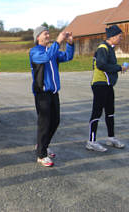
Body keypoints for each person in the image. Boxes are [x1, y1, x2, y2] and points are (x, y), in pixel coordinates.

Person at [29, 26, 74, 167]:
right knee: (44, 123)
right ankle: (41, 155)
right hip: (42, 93)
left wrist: (70, 43)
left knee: (55, 121)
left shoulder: (52, 50)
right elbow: (46, 57)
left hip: (54, 92)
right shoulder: (35, 52)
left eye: (48, 33)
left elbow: (67, 56)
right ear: (38, 37)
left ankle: (43, 145)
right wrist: (58, 42)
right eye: (45, 33)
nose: (48, 35)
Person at [86, 25, 128, 152]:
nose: (121, 39)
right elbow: (101, 64)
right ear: (113, 36)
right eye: (120, 36)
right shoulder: (103, 48)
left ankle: (111, 138)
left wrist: (117, 68)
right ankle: (91, 141)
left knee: (110, 112)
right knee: (97, 113)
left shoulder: (110, 48)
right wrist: (119, 68)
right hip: (100, 85)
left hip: (108, 85)